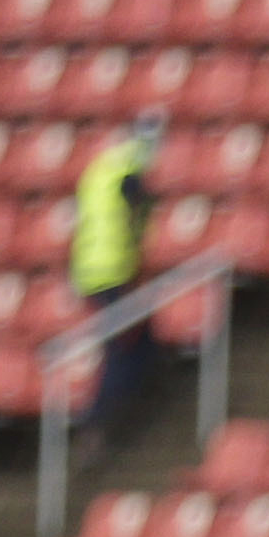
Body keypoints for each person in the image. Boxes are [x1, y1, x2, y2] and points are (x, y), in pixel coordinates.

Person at [71, 111, 164, 432]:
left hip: (88, 268)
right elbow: (131, 216)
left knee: (140, 336)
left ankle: (134, 401)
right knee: (120, 345)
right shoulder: (130, 171)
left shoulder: (103, 167)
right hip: (113, 269)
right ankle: (103, 418)